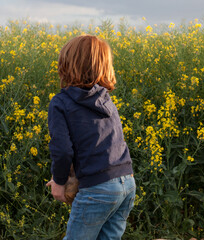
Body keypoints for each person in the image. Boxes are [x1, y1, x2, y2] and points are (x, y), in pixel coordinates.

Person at [46, 34, 135, 240]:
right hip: (127, 183)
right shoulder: (105, 100)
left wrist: (59, 182)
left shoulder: (60, 103)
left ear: (66, 64)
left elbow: (62, 150)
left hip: (98, 188)